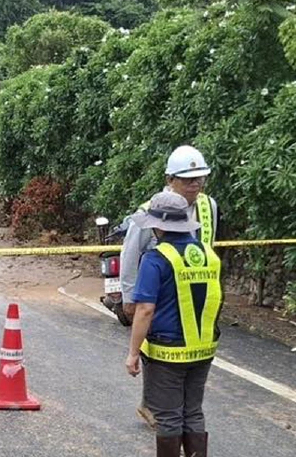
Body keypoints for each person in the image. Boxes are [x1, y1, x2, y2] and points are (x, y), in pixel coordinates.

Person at [120, 145, 218, 428]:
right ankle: (154, 405)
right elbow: (130, 254)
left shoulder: (208, 207)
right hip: (158, 290)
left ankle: (171, 413)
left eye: (199, 178)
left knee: (189, 358)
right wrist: (128, 296)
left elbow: (210, 252)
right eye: (188, 179)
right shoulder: (149, 211)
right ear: (169, 179)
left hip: (195, 291)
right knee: (155, 350)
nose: (195, 184)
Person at [126, 191, 222, 457]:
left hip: (167, 354)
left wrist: (133, 352)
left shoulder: (156, 259)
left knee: (168, 417)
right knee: (193, 412)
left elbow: (145, 310)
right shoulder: (209, 255)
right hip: (203, 351)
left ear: (158, 225)